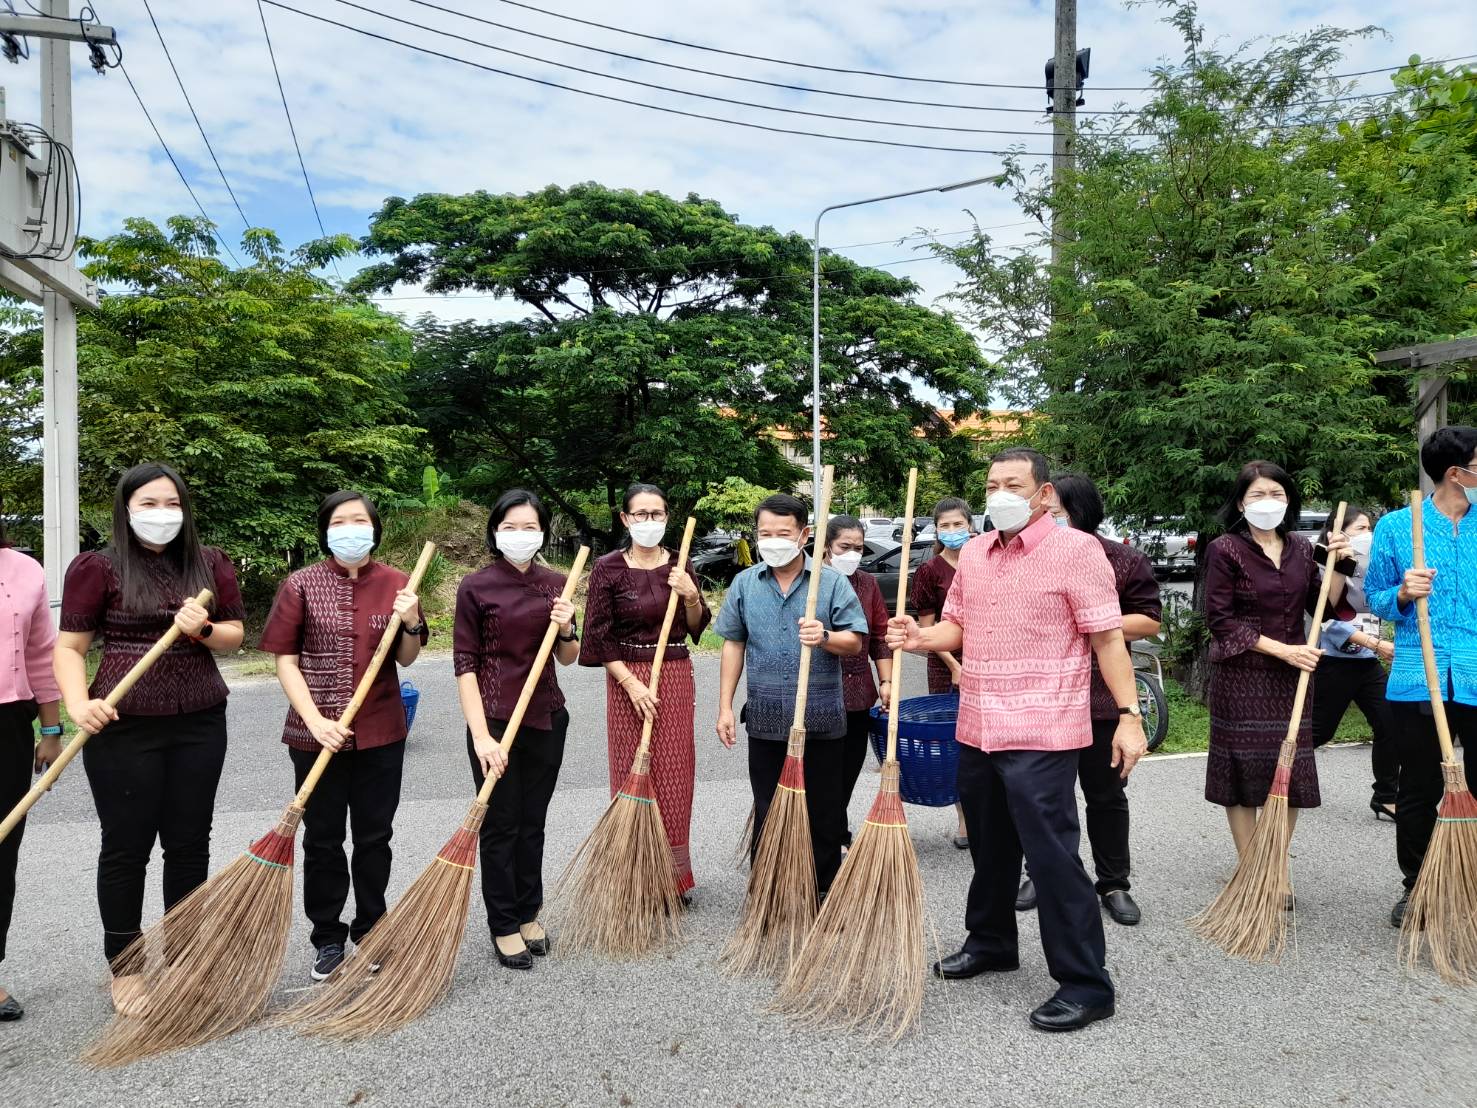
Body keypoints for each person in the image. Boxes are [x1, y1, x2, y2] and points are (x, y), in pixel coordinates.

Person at [886, 448, 1146, 1033]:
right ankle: (992, 942)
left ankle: (1085, 984)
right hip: (978, 723)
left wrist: (1129, 717)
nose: (999, 493)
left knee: (1052, 856)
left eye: (1013, 483)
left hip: (1044, 726)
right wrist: (920, 638)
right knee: (990, 846)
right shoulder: (974, 554)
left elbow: (1107, 640)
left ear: (1045, 493)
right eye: (991, 484)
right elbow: (958, 627)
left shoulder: (1077, 552)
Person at [54, 463, 245, 1015]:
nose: (161, 514)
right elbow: (69, 649)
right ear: (125, 508)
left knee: (189, 843)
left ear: (185, 510)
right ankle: (128, 967)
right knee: (126, 846)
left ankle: (184, 959)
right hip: (122, 723)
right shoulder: (98, 567)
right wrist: (77, 705)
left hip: (200, 721)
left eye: (171, 504)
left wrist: (202, 629)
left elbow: (233, 637)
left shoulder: (210, 565)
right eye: (148, 504)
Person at [259, 491, 427, 981]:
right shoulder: (301, 584)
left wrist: (412, 620)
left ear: (374, 528)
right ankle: (327, 938)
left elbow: (408, 658)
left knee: (375, 836)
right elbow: (284, 660)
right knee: (323, 839)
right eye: (340, 521)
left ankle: (372, 928)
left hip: (381, 732)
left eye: (360, 520)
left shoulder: (399, 583)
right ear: (325, 530)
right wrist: (315, 720)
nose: (350, 528)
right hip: (315, 735)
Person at [1016, 474, 1160, 927]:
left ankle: (1114, 882)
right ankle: (1042, 871)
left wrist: (1093, 617)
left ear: (1080, 512)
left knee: (1105, 794)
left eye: (1056, 510)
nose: (1047, 516)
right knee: (1044, 797)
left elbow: (1148, 621)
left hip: (1101, 698)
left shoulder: (1121, 558)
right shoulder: (1026, 556)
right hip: (1045, 697)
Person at [714, 493, 868, 898]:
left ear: (804, 534)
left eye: (783, 533)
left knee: (823, 809)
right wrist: (724, 707)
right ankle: (769, 889)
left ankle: (822, 889)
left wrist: (826, 637)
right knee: (768, 805)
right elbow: (733, 643)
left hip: (820, 718)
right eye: (765, 533)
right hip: (765, 718)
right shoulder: (746, 583)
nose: (773, 540)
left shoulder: (830, 582)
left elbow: (856, 641)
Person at [454, 490, 579, 969]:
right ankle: (503, 923)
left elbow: (567, 657)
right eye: (511, 527)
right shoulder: (476, 586)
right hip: (495, 720)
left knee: (533, 821)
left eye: (530, 527)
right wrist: (481, 736)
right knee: (501, 823)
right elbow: (464, 664)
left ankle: (529, 912)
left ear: (543, 532)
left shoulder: (557, 583)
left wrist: (567, 628)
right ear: (495, 531)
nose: (520, 535)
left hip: (547, 716)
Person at [1203, 461, 1347, 875]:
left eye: (1277, 494)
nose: (1268, 503)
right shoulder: (1225, 549)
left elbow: (1327, 606)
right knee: (1243, 771)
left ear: (1289, 500)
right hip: (1242, 675)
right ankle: (1251, 868)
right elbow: (1221, 621)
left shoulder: (1302, 548)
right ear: (1241, 502)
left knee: (1290, 772)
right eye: (1258, 495)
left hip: (1291, 680)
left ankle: (1276, 866)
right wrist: (1285, 650)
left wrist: (1340, 563)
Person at [1365, 426, 1477, 928]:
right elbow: (1375, 596)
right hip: (1418, 672)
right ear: (1457, 473)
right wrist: (1404, 593)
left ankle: (1468, 880)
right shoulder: (1397, 527)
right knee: (1418, 788)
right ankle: (1418, 887)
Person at [579, 483, 710, 899]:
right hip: (624, 678)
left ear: (667, 518)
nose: (648, 522)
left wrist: (691, 596)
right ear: (625, 519)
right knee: (631, 773)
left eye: (656, 514)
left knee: (674, 773)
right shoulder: (607, 568)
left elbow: (695, 629)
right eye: (640, 514)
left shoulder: (681, 564)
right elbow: (597, 636)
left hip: (672, 672)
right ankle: (635, 874)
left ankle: (672, 879)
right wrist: (631, 683)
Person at [0, 515, 62, 1023]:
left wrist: (51, 727)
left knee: (2, 851)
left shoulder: (24, 570)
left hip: (9, 725)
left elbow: (41, 652)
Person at [1310, 506, 1399, 821]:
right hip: (1335, 662)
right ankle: (1272, 775)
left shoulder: (1372, 564)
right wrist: (1377, 644)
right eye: (1361, 528)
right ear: (1340, 532)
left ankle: (1387, 796)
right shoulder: (1325, 563)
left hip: (1367, 663)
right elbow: (1328, 621)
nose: (1368, 535)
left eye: (1369, 528)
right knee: (1317, 732)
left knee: (1390, 723)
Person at [820, 514, 892, 844]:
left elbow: (878, 636)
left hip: (857, 693)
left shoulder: (867, 584)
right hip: (817, 692)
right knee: (822, 773)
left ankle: (835, 832)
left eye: (858, 548)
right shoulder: (810, 581)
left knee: (848, 771)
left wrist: (887, 682)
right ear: (826, 547)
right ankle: (828, 836)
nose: (851, 554)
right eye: (844, 547)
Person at [909, 497, 972, 849]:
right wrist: (955, 666)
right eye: (944, 525)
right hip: (945, 664)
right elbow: (928, 630)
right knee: (957, 743)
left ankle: (994, 815)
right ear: (936, 530)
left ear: (970, 525)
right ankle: (965, 820)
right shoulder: (930, 571)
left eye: (957, 524)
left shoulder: (983, 561)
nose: (951, 531)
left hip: (989, 663)